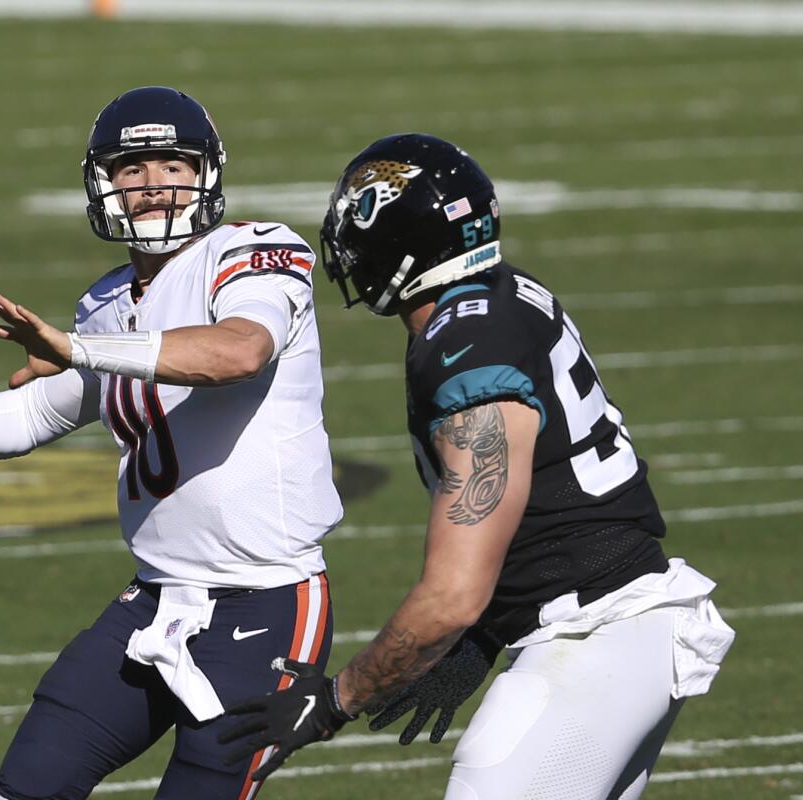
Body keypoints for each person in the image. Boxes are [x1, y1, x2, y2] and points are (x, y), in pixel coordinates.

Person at [0, 86, 342, 800]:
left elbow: (238, 352)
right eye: (133, 169)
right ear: (104, 184)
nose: (155, 185)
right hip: (155, 597)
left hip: (265, 604)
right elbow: (42, 410)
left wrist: (82, 347)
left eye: (172, 163)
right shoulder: (107, 302)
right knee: (24, 788)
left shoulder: (254, 253)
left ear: (207, 172)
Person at [220, 134, 736, 799]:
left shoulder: (463, 347)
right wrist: (486, 637)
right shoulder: (500, 292)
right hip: (616, 625)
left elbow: (452, 594)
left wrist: (336, 701)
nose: (345, 241)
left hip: (593, 633)